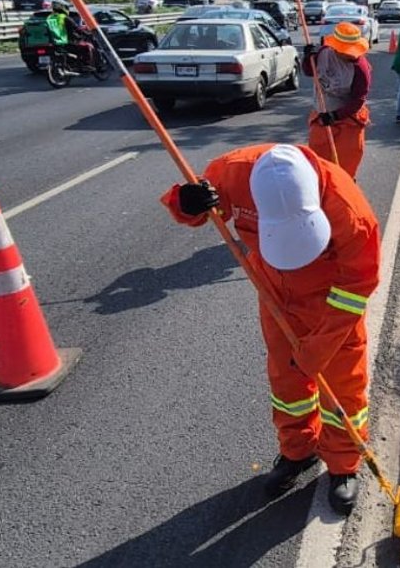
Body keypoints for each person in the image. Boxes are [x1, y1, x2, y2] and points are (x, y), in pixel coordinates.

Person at [160, 143, 380, 515]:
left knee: (342, 383)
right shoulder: (233, 173)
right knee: (287, 380)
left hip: (332, 302)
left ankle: (343, 464)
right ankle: (298, 451)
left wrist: (321, 346)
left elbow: (359, 282)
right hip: (275, 295)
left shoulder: (349, 209)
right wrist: (188, 202)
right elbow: (200, 209)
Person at [303, 21, 371, 178]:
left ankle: (345, 190)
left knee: (345, 166)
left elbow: (358, 100)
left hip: (348, 120)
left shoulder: (360, 68)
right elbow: (309, 71)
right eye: (346, 51)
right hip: (322, 116)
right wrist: (307, 57)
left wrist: (335, 116)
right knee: (319, 164)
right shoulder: (323, 54)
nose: (350, 54)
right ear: (335, 48)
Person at [46, 0, 95, 68]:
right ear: (63, 8)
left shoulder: (49, 18)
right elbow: (76, 28)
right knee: (87, 47)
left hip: (54, 43)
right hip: (68, 42)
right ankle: (86, 65)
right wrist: (87, 34)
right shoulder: (65, 17)